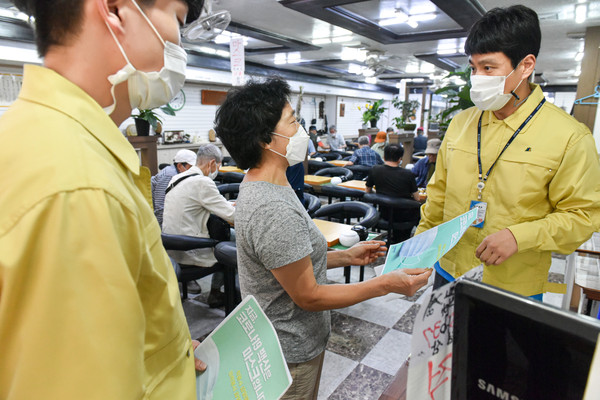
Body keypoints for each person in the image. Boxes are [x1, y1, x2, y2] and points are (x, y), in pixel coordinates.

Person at [0, 0, 207, 398]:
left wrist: (167, 354)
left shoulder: (40, 137)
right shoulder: (78, 187)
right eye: (178, 20)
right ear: (114, 9)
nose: (179, 44)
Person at [214, 77, 431, 400]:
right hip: (290, 352)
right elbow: (309, 295)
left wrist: (346, 256)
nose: (301, 130)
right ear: (264, 138)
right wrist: (385, 285)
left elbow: (287, 261)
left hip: (291, 339)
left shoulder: (269, 183)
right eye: (293, 121)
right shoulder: (271, 206)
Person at [417, 5, 600, 298]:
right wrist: (419, 249)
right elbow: (438, 196)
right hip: (448, 270)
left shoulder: (569, 137)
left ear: (526, 66)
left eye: (488, 68)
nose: (477, 78)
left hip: (511, 285)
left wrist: (519, 236)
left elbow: (582, 217)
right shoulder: (462, 123)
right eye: (473, 68)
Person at [163, 144, 235, 307]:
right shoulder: (203, 183)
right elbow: (233, 216)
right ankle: (218, 292)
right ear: (211, 164)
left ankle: (221, 290)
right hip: (191, 250)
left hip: (171, 248)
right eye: (218, 165)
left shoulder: (176, 178)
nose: (218, 169)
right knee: (234, 238)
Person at [366, 144, 419, 243]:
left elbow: (368, 190)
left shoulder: (375, 170)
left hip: (384, 214)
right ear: (400, 159)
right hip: (404, 217)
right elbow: (417, 198)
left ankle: (393, 241)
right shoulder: (408, 174)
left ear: (384, 157)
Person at [151, 149, 196, 226]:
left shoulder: (178, 174)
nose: (194, 170)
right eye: (191, 167)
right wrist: (162, 232)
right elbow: (160, 207)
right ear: (179, 166)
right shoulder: (169, 175)